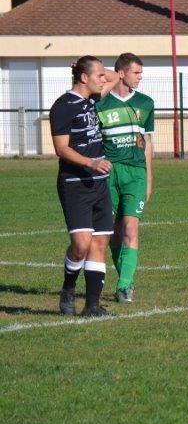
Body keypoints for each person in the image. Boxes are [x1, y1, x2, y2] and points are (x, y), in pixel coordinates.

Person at [50, 56, 121, 316]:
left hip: (99, 184)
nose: (105, 79)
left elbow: (115, 77)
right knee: (80, 245)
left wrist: (91, 66)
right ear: (84, 78)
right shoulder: (63, 106)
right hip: (74, 183)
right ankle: (68, 287)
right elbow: (61, 149)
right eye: (98, 75)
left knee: (99, 244)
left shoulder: (92, 99)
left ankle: (92, 306)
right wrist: (91, 163)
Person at [96, 53, 156, 302]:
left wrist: (149, 177)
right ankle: (125, 278)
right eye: (135, 72)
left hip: (136, 173)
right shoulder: (100, 104)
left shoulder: (146, 103)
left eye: (141, 73)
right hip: (110, 173)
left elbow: (148, 142)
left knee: (131, 227)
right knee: (113, 231)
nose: (140, 77)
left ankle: (124, 286)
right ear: (121, 73)